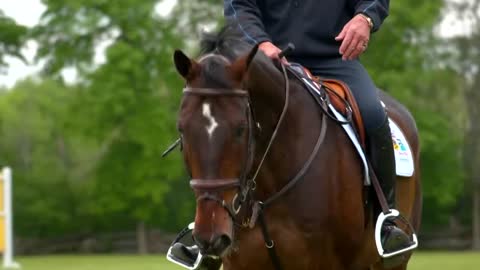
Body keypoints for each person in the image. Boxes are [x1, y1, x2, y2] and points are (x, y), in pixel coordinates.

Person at [224, 0, 411, 255]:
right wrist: (261, 43)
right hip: (270, 61)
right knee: (216, 117)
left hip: (336, 60)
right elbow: (238, 5)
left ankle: (386, 221)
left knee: (373, 114)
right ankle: (206, 229)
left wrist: (365, 19)